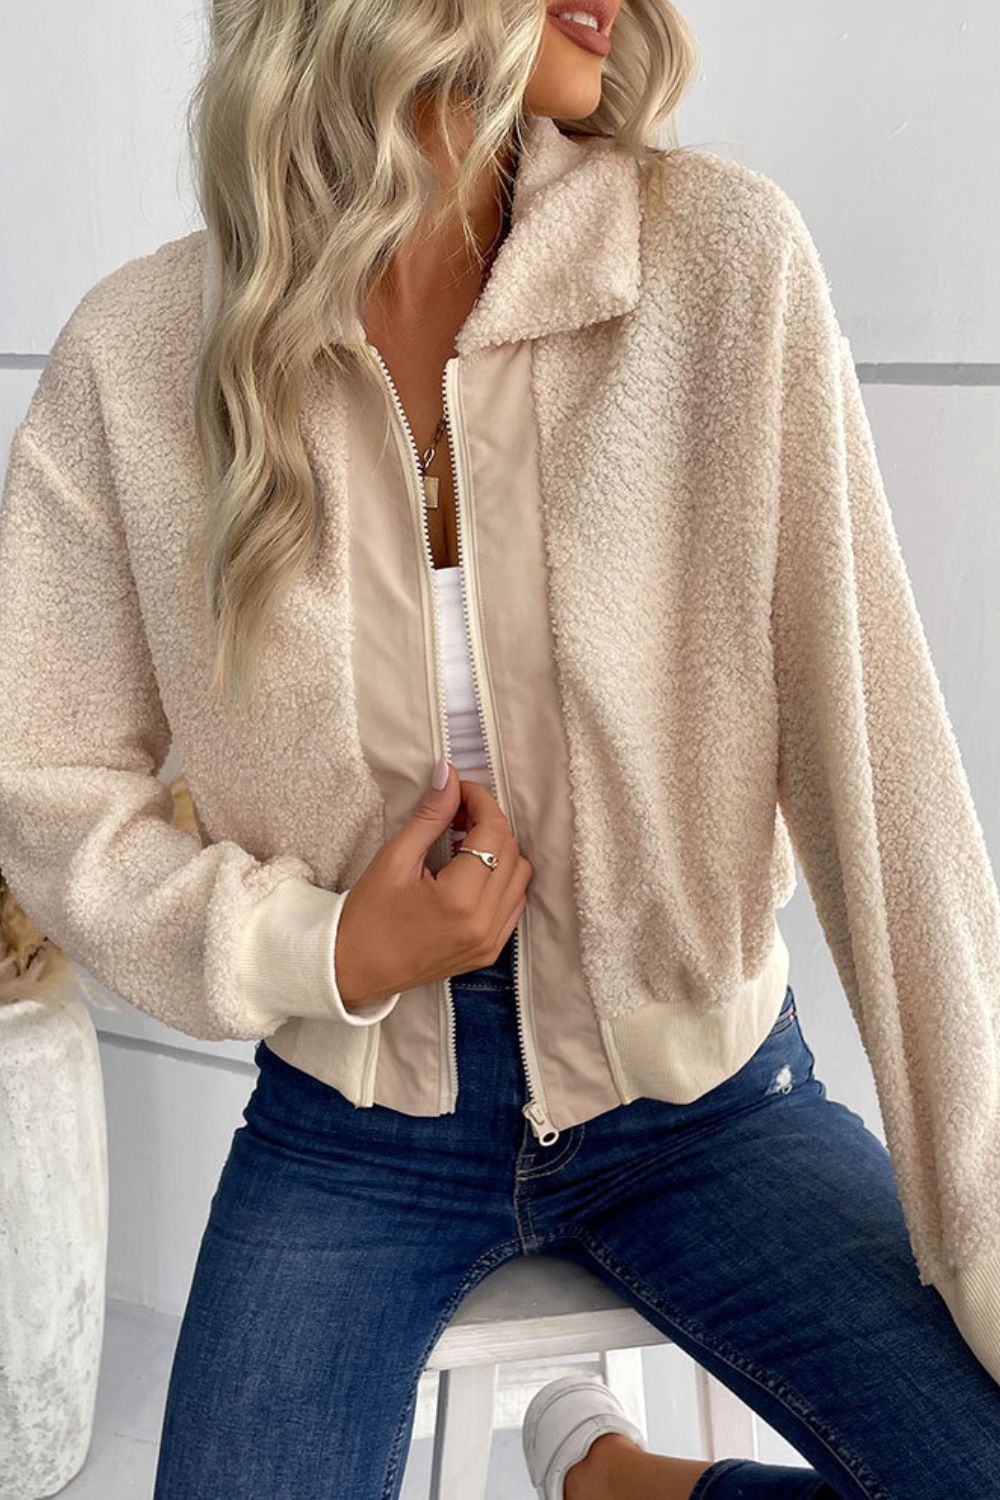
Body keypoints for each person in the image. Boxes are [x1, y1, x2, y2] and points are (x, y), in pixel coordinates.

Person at [1, 2, 999, 1497]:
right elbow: (43, 775)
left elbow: (886, 780)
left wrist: (986, 1230)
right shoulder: (142, 357)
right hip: (353, 1121)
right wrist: (324, 944)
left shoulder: (717, 267)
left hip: (706, 1100)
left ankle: (619, 1481)